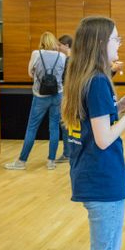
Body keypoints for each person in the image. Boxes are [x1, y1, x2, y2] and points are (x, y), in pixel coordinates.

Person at [61, 16, 125, 250]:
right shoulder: (97, 80)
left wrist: (117, 106)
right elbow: (103, 138)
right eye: (115, 38)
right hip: (102, 179)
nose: (118, 44)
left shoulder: (82, 76)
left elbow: (92, 119)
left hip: (87, 174)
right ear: (100, 42)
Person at [4, 31, 66, 170]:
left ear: (42, 42)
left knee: (32, 128)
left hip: (40, 96)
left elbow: (30, 73)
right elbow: (62, 74)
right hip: (58, 95)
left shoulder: (36, 54)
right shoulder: (62, 56)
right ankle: (51, 161)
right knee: (54, 128)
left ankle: (21, 162)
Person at [55, 34, 73, 163]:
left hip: (67, 95)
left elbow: (66, 79)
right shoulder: (71, 58)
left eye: (60, 45)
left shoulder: (69, 59)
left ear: (66, 45)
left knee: (65, 124)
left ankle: (67, 153)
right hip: (68, 94)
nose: (58, 47)